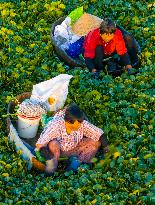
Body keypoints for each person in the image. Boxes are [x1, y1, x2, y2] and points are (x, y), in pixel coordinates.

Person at [35, 103, 109, 173]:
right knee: (53, 144)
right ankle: (53, 167)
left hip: (74, 147)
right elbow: (40, 145)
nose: (81, 125)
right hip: (57, 151)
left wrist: (107, 150)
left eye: (81, 123)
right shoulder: (55, 125)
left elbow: (100, 134)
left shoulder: (81, 123)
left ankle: (76, 164)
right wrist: (50, 161)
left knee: (95, 143)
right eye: (78, 124)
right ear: (68, 122)